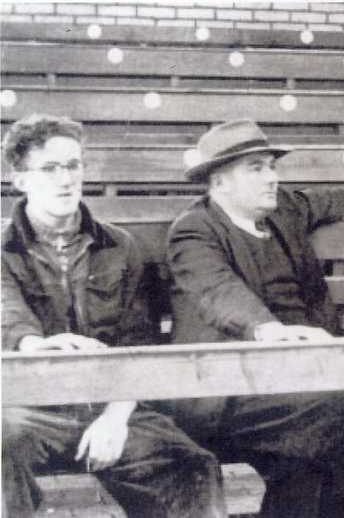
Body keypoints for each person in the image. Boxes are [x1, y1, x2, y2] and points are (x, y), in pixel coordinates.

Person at [167, 118, 344, 518]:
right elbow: (218, 292)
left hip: (293, 382)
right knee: (336, 411)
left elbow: (339, 200)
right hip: (225, 391)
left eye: (272, 166)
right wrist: (270, 330)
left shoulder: (283, 210)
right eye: (256, 168)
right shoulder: (193, 232)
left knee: (303, 467)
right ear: (220, 182)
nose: (272, 177)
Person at [1, 114, 227, 518]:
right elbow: (7, 313)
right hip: (25, 406)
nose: (65, 179)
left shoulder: (122, 246)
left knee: (192, 466)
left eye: (73, 165)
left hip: (110, 402)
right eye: (50, 168)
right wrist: (35, 344)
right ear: (19, 179)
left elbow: (140, 343)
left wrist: (116, 416)